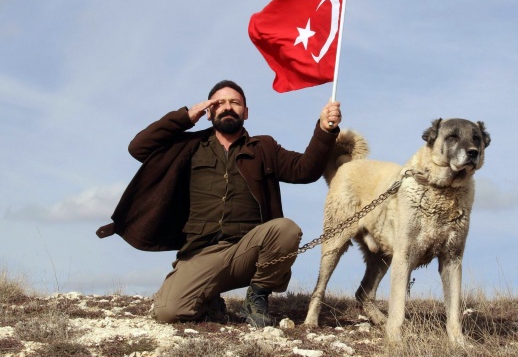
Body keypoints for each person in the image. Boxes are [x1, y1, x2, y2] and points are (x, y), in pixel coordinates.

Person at [97, 80, 342, 327]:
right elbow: (138, 147)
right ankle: (210, 300)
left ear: (245, 112)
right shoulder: (189, 146)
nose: (227, 107)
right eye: (219, 103)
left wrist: (324, 129)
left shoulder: (264, 147)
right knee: (167, 312)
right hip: (201, 252)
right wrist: (185, 117)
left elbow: (305, 170)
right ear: (209, 112)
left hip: (250, 249)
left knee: (285, 229)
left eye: (235, 103)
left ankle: (257, 297)